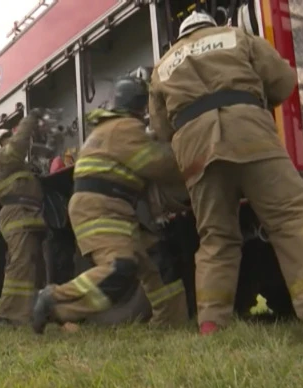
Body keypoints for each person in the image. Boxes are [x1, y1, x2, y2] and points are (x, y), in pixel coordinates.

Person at [148, 11, 303, 336]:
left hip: (196, 150)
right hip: (250, 134)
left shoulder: (163, 66)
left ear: (181, 35)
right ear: (210, 25)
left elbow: (160, 126)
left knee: (216, 237)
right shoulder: (237, 36)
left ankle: (211, 323)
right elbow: (282, 79)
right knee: (293, 216)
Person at [31, 76, 189, 334]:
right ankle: (56, 300)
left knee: (158, 262)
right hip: (101, 209)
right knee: (119, 269)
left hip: (113, 208)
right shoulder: (124, 128)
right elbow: (158, 164)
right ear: (140, 107)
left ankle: (169, 322)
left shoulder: (105, 128)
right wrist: (191, 152)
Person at [0, 110, 49, 326]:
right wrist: (29, 120)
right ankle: (7, 317)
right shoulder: (3, 159)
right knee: (20, 264)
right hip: (18, 217)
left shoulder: (13, 166)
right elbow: (20, 143)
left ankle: (32, 313)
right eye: (5, 140)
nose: (9, 143)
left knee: (34, 266)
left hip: (27, 216)